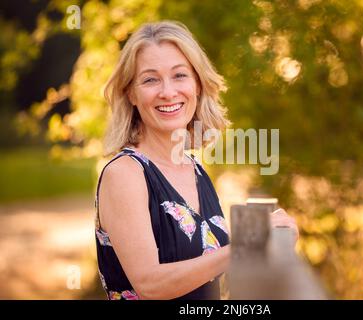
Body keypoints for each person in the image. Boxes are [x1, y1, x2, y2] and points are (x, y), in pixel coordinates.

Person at [94, 20, 299, 300]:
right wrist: (246, 245)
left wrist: (276, 239)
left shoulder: (195, 169)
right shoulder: (125, 174)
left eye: (180, 75)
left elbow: (214, 275)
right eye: (150, 79)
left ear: (198, 85)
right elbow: (150, 284)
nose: (168, 92)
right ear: (131, 93)